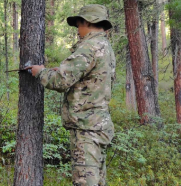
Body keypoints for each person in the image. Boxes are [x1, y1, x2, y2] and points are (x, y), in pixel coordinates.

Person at [26, 4, 116, 186]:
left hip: (87, 130)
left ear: (88, 22)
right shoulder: (105, 46)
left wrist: (40, 72)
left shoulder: (89, 47)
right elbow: (89, 79)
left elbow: (60, 81)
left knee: (85, 182)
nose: (77, 31)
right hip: (99, 126)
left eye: (78, 25)